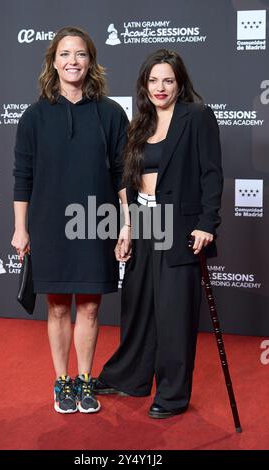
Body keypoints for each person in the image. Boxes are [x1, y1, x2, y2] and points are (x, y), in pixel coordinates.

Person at [95, 49, 223, 418]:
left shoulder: (197, 117)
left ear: (180, 82)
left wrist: (206, 222)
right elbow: (130, 183)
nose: (160, 87)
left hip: (180, 227)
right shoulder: (140, 125)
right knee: (138, 307)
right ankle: (130, 377)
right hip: (145, 223)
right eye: (153, 80)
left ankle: (172, 394)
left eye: (168, 79)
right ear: (144, 85)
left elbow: (212, 174)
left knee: (174, 314)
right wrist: (127, 228)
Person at [11, 26, 130, 414]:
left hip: (96, 222)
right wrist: (20, 227)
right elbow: (22, 175)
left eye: (80, 54)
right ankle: (62, 382)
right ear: (53, 62)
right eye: (65, 54)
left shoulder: (111, 114)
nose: (72, 61)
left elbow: (122, 176)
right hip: (48, 224)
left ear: (90, 61)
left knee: (91, 308)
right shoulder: (33, 116)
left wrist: (127, 224)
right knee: (59, 307)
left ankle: (84, 380)